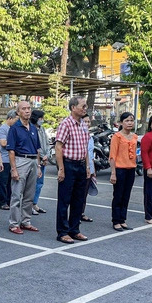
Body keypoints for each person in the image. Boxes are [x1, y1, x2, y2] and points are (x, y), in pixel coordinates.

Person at [54, 96, 90, 244]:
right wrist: (61, 169)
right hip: (69, 165)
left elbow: (85, 148)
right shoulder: (66, 124)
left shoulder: (83, 125)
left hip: (81, 165)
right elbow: (58, 147)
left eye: (86, 106)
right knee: (64, 200)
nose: (85, 109)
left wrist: (87, 166)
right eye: (82, 106)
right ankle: (62, 232)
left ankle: (74, 230)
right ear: (73, 107)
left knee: (78, 199)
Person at [6, 100, 42, 235]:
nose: (27, 111)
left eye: (29, 108)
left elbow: (37, 149)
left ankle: (26, 221)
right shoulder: (14, 128)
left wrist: (38, 166)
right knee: (16, 194)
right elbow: (11, 151)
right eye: (24, 109)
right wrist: (13, 169)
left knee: (29, 194)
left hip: (33, 160)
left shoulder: (33, 128)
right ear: (18, 112)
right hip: (21, 160)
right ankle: (14, 223)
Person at [109, 112, 138, 231]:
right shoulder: (117, 137)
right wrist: (113, 173)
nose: (130, 123)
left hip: (131, 169)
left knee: (126, 195)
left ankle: (122, 219)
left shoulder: (135, 136)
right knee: (118, 195)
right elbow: (112, 156)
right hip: (120, 169)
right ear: (121, 123)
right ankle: (116, 220)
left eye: (131, 120)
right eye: (127, 121)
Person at [0, 110, 17, 211]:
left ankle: (9, 200)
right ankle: (2, 201)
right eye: (15, 119)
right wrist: (15, 142)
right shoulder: (3, 128)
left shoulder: (14, 129)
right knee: (3, 182)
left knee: (11, 182)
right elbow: (3, 143)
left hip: (12, 159)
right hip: (4, 159)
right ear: (10, 118)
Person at [31, 109, 49, 216]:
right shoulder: (32, 129)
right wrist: (42, 156)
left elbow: (46, 143)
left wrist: (47, 156)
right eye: (40, 118)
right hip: (36, 159)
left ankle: (35, 203)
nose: (42, 120)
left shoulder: (42, 129)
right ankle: (30, 205)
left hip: (44, 159)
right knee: (33, 184)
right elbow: (36, 146)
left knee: (40, 183)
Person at [80, 115, 95, 223]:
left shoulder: (90, 137)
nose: (87, 124)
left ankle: (81, 213)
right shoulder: (78, 136)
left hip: (90, 168)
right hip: (81, 168)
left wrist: (93, 170)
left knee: (84, 193)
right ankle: (75, 214)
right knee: (78, 193)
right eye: (85, 121)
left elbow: (91, 155)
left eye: (88, 121)